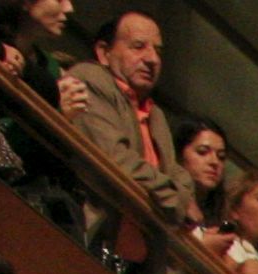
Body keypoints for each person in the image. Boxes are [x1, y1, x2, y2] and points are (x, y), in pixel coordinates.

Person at [54, 9, 198, 242]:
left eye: (157, 50)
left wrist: (176, 193)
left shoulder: (156, 115)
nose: (152, 59)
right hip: (90, 234)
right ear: (104, 53)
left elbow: (178, 174)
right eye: (138, 46)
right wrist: (178, 201)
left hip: (140, 248)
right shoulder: (90, 78)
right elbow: (117, 159)